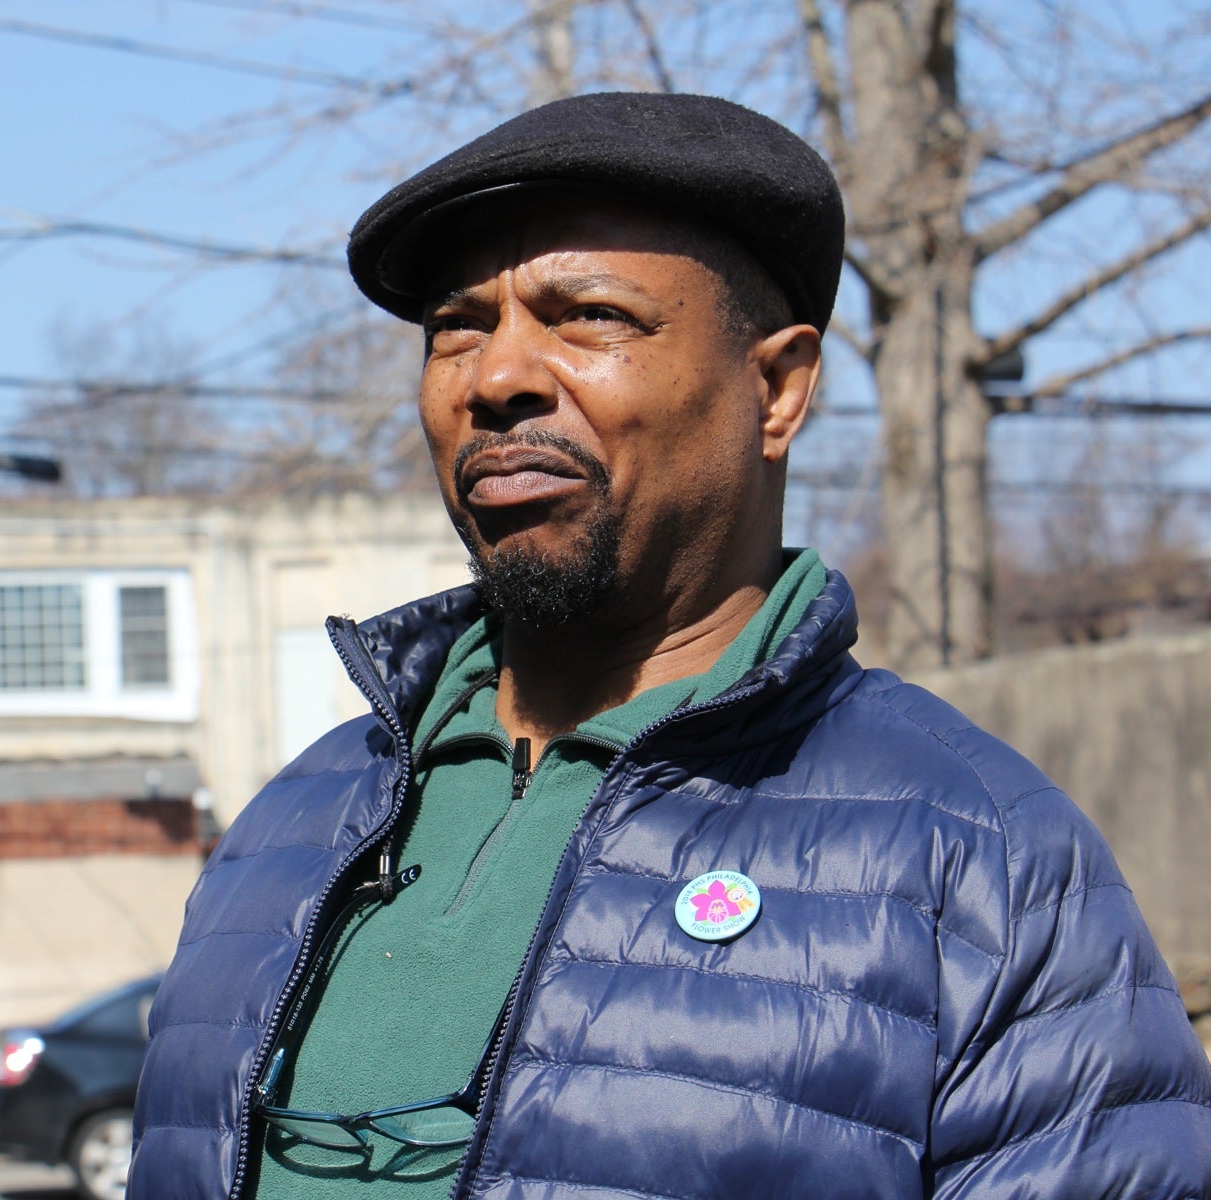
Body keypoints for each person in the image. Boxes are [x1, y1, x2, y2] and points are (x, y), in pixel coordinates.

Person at [128, 92, 1211, 1199]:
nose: (496, 377)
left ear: (777, 390)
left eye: (588, 314)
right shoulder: (284, 837)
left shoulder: (979, 860)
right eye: (459, 323)